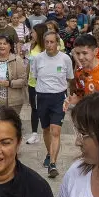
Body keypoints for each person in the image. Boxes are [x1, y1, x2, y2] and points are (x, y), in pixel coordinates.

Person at [30, 31, 74, 178]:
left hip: (59, 98)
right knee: (46, 129)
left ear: (57, 43)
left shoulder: (65, 58)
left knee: (56, 130)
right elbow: (35, 76)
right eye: (47, 42)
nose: (49, 45)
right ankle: (49, 153)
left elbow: (70, 78)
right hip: (42, 97)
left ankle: (53, 164)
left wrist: (70, 97)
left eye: (52, 42)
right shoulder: (38, 59)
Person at [0, 35, 27, 117]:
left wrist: (9, 83)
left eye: (5, 44)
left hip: (12, 103)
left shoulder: (17, 60)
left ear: (10, 46)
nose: (2, 46)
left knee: (10, 124)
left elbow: (23, 81)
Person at [25, 24, 47, 146]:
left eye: (33, 32)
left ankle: (47, 131)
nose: (31, 34)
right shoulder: (32, 46)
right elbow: (29, 63)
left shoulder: (46, 49)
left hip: (44, 84)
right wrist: (25, 77)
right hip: (32, 83)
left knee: (44, 108)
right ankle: (34, 133)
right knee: (34, 108)